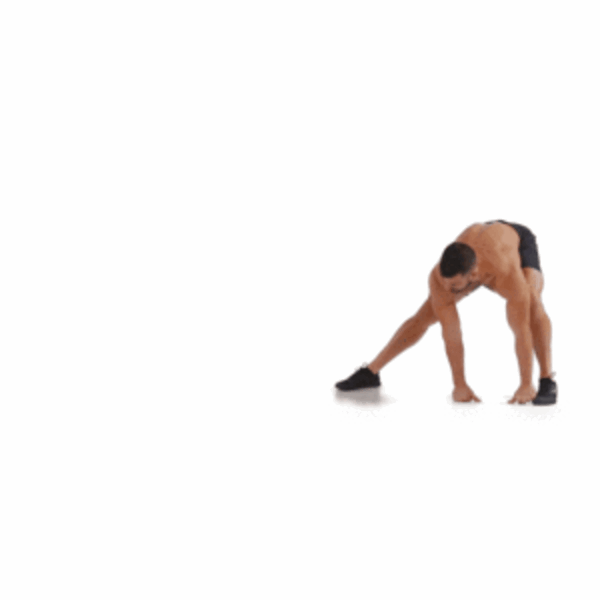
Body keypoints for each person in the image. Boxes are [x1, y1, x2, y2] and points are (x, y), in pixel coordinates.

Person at [335, 220, 557, 405]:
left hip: (513, 240)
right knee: (423, 317)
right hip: (477, 249)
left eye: (454, 287)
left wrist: (525, 384)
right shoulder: (439, 279)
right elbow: (452, 334)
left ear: (473, 276)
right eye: (445, 283)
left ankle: (546, 379)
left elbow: (521, 329)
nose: (447, 290)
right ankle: (370, 373)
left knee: (532, 304)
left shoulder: (505, 270)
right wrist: (459, 384)